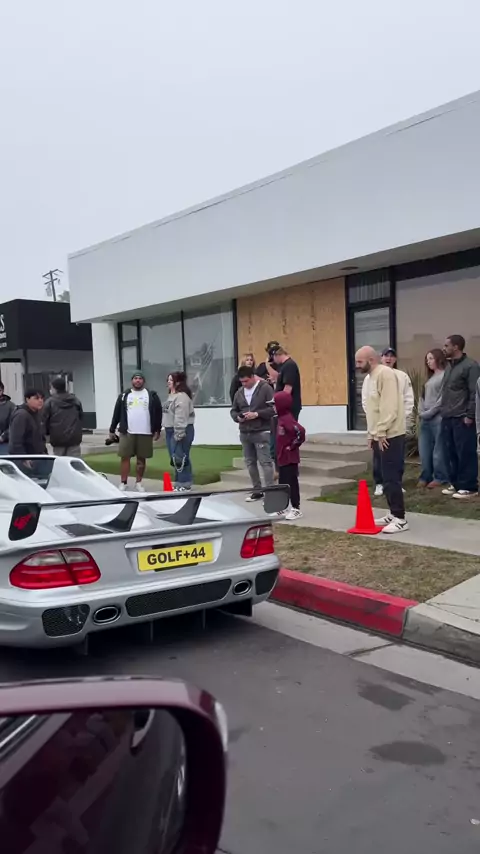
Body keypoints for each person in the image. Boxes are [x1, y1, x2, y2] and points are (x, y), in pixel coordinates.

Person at [355, 345, 408, 533]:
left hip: (390, 434)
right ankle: (393, 513)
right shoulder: (371, 377)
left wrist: (382, 430)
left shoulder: (385, 374)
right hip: (380, 434)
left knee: (392, 477)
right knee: (385, 477)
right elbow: (373, 409)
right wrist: (372, 434)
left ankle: (400, 518)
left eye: (359, 361)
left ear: (371, 360)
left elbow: (389, 406)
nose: (357, 365)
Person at [362, 347, 414, 497]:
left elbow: (408, 399)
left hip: (396, 425)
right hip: (378, 425)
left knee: (397, 456)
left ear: (395, 359)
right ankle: (380, 483)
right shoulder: (370, 377)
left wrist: (400, 417)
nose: (388, 359)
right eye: (386, 356)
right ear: (381, 358)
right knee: (379, 455)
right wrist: (375, 421)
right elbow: (366, 401)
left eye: (391, 356)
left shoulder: (402, 376)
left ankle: (396, 483)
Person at [109, 370, 162, 492]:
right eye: (135, 378)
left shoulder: (152, 395)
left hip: (145, 432)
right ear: (132, 381)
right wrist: (112, 429)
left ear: (144, 381)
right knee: (125, 457)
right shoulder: (124, 395)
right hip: (127, 432)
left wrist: (157, 429)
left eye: (140, 378)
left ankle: (138, 482)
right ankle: (123, 482)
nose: (138, 380)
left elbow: (158, 413)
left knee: (141, 459)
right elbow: (116, 413)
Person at [440, 334, 479, 499]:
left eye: (446, 345)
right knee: (450, 452)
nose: (444, 348)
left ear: (456, 347)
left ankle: (469, 486)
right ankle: (456, 483)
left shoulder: (471, 366)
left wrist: (470, 415)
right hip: (448, 416)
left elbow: (474, 393)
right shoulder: (449, 366)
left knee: (465, 452)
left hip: (462, 417)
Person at [230, 365, 275, 501]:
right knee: (250, 462)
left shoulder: (265, 388)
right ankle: (257, 490)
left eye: (246, 381)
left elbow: (273, 409)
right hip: (245, 431)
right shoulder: (239, 392)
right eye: (242, 382)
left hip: (261, 431)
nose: (244, 384)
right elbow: (234, 410)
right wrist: (237, 417)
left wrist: (257, 414)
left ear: (253, 377)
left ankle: (270, 492)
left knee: (265, 462)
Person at [418, 349, 449, 488]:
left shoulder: (444, 376)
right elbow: (422, 397)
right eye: (427, 359)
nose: (428, 361)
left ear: (438, 359)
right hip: (425, 420)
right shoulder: (429, 378)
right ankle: (426, 476)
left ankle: (440, 477)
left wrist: (430, 412)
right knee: (424, 449)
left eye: (431, 358)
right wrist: (421, 412)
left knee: (438, 450)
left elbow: (442, 399)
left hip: (438, 419)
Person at [273, 390, 306, 520]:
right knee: (283, 483)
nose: (273, 407)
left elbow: (300, 431)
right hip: (282, 457)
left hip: (290, 458)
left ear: (281, 405)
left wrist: (291, 447)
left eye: (275, 404)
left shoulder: (287, 419)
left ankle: (296, 508)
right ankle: (283, 507)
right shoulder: (280, 419)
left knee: (291, 483)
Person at [163, 371, 195, 491]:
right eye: (168, 380)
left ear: (178, 382)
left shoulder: (181, 397)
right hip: (170, 429)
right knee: (175, 457)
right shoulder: (171, 396)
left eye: (171, 380)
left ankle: (185, 483)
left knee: (181, 457)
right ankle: (178, 482)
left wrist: (179, 432)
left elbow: (181, 416)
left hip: (180, 429)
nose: (168, 382)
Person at [42, 375, 83, 457]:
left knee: (60, 461)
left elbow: (44, 420)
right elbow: (81, 417)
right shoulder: (75, 401)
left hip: (58, 439)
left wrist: (45, 435)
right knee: (73, 461)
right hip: (74, 438)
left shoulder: (50, 402)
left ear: (54, 388)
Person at [9, 389, 47, 455]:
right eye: (36, 398)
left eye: (42, 398)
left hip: (39, 455)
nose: (40, 401)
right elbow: (16, 441)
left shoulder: (37, 414)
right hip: (27, 457)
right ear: (27, 399)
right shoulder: (21, 415)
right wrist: (23, 458)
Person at [273, 346, 302, 420]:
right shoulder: (284, 366)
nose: (274, 361)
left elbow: (287, 388)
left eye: (273, 358)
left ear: (276, 355)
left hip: (288, 407)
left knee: (287, 426)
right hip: (287, 406)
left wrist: (280, 405)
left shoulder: (289, 365)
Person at [0, 382, 16, 455]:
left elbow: (14, 425)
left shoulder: (11, 406)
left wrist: (3, 437)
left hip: (4, 444)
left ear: (2, 391)